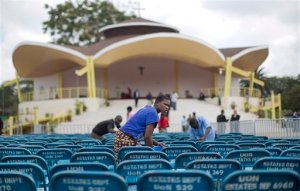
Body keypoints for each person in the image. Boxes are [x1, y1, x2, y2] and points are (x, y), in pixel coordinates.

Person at [114, 94, 170, 160]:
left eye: (168, 105)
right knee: (131, 165)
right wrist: (153, 154)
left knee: (122, 162)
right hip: (126, 139)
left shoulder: (147, 108)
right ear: (157, 103)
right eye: (165, 104)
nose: (167, 107)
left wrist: (157, 143)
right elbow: (147, 138)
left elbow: (144, 135)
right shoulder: (153, 114)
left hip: (121, 136)